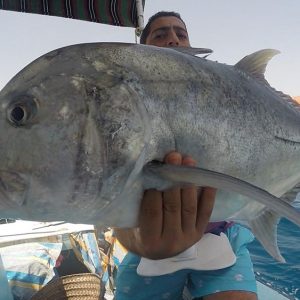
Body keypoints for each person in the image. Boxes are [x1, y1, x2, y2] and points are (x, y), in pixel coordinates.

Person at [114, 11, 257, 300]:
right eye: (161, 34)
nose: (173, 40)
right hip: (148, 248)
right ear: (143, 49)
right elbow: (115, 186)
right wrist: (138, 242)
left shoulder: (220, 94)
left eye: (181, 34)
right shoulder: (126, 100)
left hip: (221, 239)